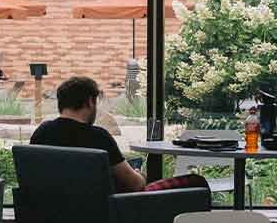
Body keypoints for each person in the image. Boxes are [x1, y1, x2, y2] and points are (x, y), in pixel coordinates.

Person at [30, 76, 205, 194]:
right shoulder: (97, 137)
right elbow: (135, 185)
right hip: (105, 217)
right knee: (196, 182)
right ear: (90, 101)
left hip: (51, 221)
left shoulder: (41, 133)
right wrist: (139, 174)